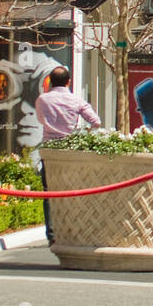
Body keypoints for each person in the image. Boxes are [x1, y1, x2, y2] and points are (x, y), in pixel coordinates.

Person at [33, 67, 101, 244]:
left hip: (49, 150)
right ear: (68, 82)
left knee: (49, 192)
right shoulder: (75, 100)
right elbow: (96, 121)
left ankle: (52, 234)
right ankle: (71, 230)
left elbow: (41, 119)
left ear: (50, 81)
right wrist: (80, 130)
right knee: (71, 190)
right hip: (69, 149)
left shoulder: (42, 99)